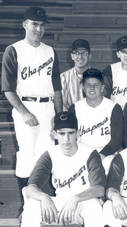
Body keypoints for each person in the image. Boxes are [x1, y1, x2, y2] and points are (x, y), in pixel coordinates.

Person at [1, 6, 63, 212]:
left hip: (48, 107)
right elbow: (8, 89)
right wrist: (24, 112)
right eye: (34, 24)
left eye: (42, 25)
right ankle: (27, 205)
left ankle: (44, 201)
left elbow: (57, 87)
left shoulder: (50, 51)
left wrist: (59, 116)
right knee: (27, 154)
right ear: (24, 25)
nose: (38, 29)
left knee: (47, 154)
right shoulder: (14, 50)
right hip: (25, 106)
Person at [20, 112, 106, 227]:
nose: (66, 139)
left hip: (84, 200)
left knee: (94, 207)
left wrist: (76, 198)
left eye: (71, 133)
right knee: (32, 205)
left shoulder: (89, 153)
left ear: (78, 133)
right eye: (62, 134)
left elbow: (99, 189)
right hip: (60, 200)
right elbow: (30, 188)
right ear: (54, 134)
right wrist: (44, 197)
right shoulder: (50, 154)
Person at [68, 68, 123, 174]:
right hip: (82, 153)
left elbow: (117, 140)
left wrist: (100, 156)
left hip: (106, 153)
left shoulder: (114, 107)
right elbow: (70, 137)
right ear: (83, 88)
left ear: (102, 88)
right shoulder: (75, 108)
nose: (92, 88)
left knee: (107, 166)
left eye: (96, 85)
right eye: (88, 85)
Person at [103, 36, 127, 108]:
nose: (126, 55)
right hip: (117, 114)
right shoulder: (111, 69)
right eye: (123, 51)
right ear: (118, 54)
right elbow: (104, 95)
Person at [60, 39, 91, 110]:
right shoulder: (64, 77)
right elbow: (62, 104)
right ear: (72, 56)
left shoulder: (98, 76)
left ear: (89, 56)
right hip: (71, 117)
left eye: (84, 53)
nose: (80, 57)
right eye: (77, 53)